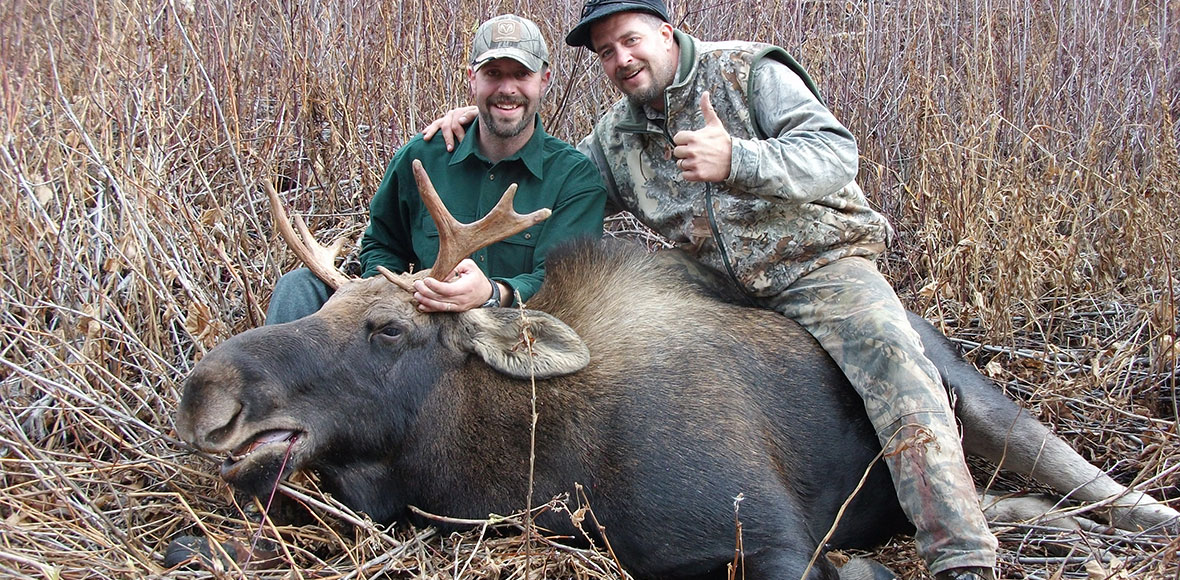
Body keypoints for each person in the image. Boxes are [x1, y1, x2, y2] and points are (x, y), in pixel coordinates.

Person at [424, 2, 997, 578]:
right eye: (606, 52)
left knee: (893, 361)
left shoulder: (747, 73)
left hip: (817, 266)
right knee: (633, 305)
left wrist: (738, 159)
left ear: (666, 33)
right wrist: (490, 123)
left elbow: (835, 152)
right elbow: (560, 180)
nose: (622, 59)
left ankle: (960, 554)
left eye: (631, 40)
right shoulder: (617, 135)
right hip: (717, 281)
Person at [266, 14, 607, 323]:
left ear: (544, 80)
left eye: (521, 74)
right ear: (473, 79)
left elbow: (562, 282)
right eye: (493, 74)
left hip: (510, 336)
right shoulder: (422, 158)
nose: (507, 89)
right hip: (419, 326)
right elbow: (382, 244)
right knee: (298, 288)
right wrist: (391, 293)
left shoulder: (574, 178)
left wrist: (493, 293)